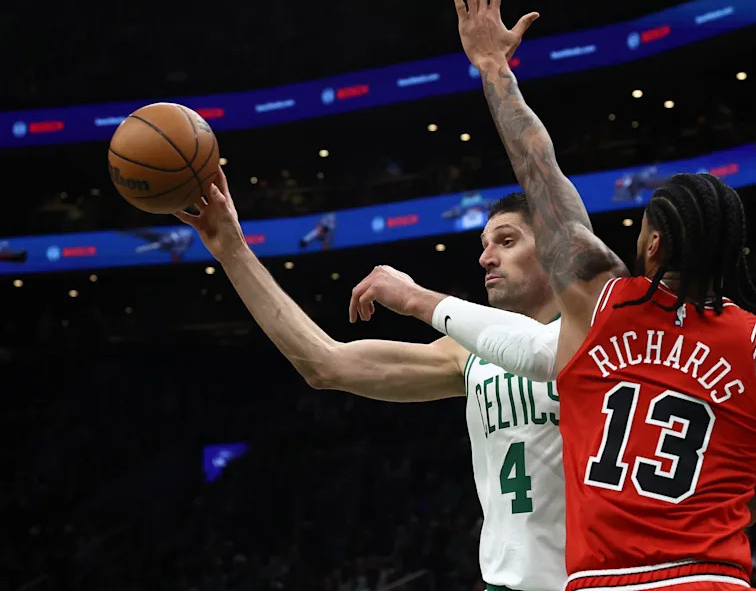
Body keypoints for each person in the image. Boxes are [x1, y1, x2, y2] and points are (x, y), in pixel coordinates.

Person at [443, 0, 756, 590]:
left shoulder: (601, 306)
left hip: (611, 580)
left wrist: (494, 69)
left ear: (656, 243)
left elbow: (540, 170)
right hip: (715, 579)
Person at [176, 175, 566, 591]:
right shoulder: (467, 354)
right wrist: (233, 251)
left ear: (558, 250)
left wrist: (414, 296)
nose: (486, 258)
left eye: (506, 242)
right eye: (485, 245)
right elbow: (325, 363)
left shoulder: (604, 337)